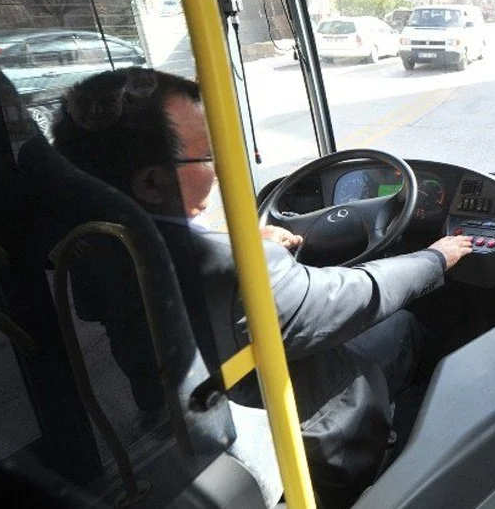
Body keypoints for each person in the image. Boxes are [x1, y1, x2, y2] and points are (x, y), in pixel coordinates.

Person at [51, 67, 473, 508]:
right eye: (207, 157)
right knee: (404, 321)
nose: (217, 172)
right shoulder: (233, 269)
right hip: (298, 424)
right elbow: (354, 296)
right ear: (152, 183)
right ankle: (391, 448)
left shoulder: (91, 241)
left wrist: (252, 247)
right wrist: (435, 258)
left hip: (177, 404)